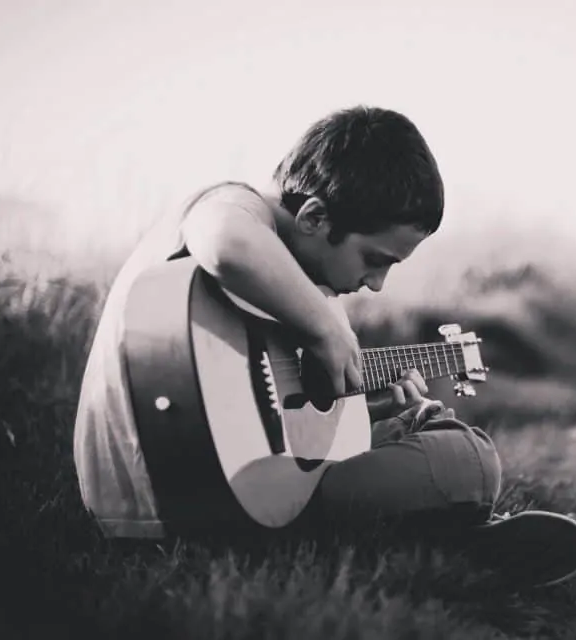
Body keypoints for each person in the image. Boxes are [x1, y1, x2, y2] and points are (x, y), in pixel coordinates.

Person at [73, 106, 503, 541]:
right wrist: (327, 330)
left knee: (414, 424)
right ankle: (450, 530)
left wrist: (358, 409)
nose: (376, 285)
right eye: (375, 261)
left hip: (205, 493)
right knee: (470, 456)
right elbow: (227, 243)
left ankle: (438, 530)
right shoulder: (232, 205)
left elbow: (256, 416)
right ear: (314, 217)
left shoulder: (281, 288)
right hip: (176, 500)